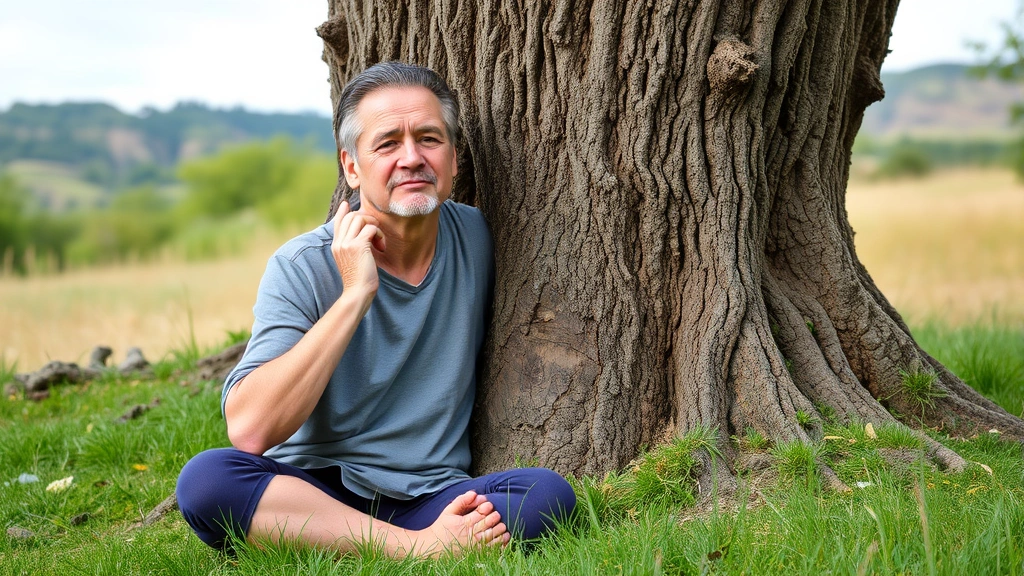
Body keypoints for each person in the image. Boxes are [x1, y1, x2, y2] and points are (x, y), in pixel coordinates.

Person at [175, 62, 576, 559]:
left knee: (546, 497)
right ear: (350, 167)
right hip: (311, 494)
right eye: (387, 144)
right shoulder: (301, 265)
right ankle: (418, 551)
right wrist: (354, 296)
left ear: (453, 159)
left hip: (428, 495)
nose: (412, 158)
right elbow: (251, 430)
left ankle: (384, 545)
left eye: (429, 138)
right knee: (208, 481)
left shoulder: (482, 239)